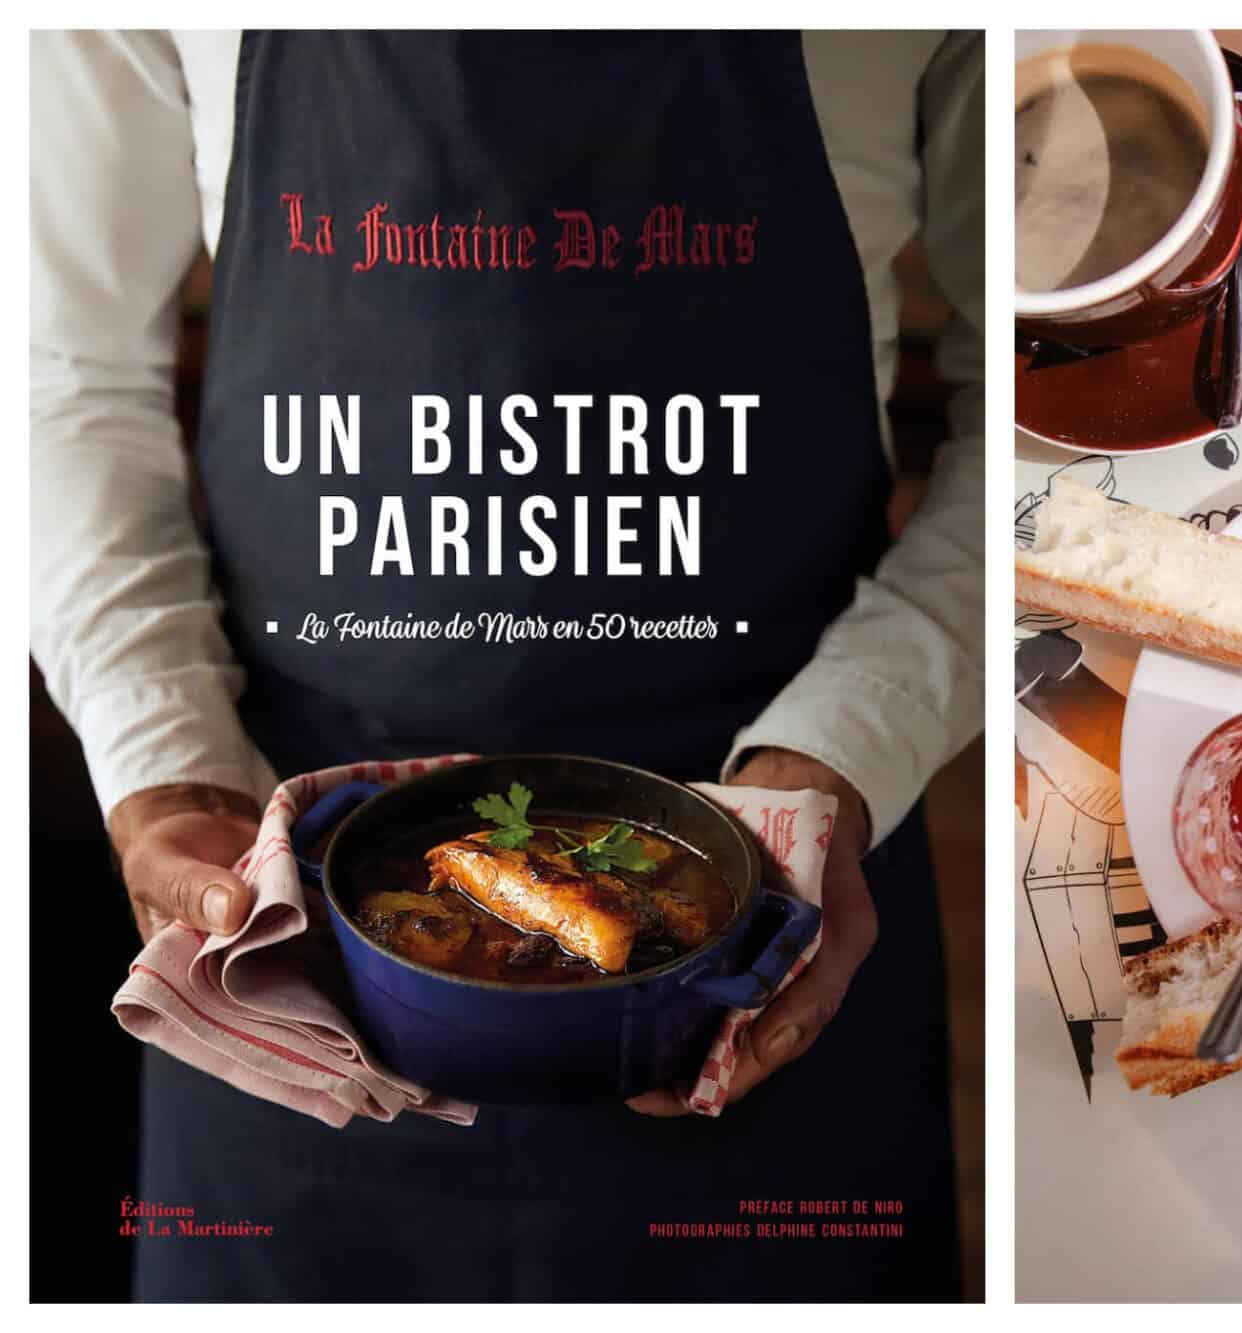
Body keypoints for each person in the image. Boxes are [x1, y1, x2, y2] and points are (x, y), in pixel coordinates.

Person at [29, 29, 982, 1301]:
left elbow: (1052, 399)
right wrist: (162, 759)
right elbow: (62, 380)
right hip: (292, 936)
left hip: (786, 894)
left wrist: (855, 744)